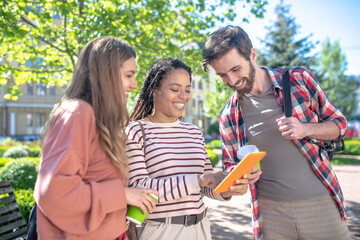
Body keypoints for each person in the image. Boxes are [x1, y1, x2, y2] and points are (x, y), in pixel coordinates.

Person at [202, 25, 351, 240]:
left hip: (320, 204)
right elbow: (230, 168)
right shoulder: (228, 115)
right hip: (270, 214)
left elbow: (340, 125)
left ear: (252, 55)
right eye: (222, 75)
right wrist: (239, 177)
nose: (232, 81)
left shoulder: (299, 80)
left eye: (235, 70)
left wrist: (305, 128)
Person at [33, 36, 158, 240]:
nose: (134, 85)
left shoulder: (99, 120)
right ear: (106, 75)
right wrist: (123, 194)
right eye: (129, 75)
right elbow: (53, 193)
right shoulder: (78, 113)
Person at [125, 58, 261, 240]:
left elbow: (206, 187)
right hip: (161, 231)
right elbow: (139, 189)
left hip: (201, 228)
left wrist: (228, 187)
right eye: (175, 89)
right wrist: (199, 180)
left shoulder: (194, 132)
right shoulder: (135, 131)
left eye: (187, 90)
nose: (184, 96)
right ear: (155, 90)